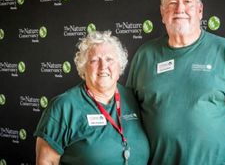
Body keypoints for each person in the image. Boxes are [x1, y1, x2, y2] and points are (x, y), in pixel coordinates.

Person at [126, 0, 225, 165]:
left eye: (188, 2)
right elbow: (128, 117)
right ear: (162, 13)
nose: (180, 9)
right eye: (172, 3)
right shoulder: (144, 55)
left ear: (200, 11)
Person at [34, 31, 149, 165]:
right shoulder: (63, 107)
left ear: (120, 66)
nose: (103, 66)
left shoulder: (132, 98)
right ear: (83, 68)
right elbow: (47, 161)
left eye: (109, 59)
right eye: (94, 60)